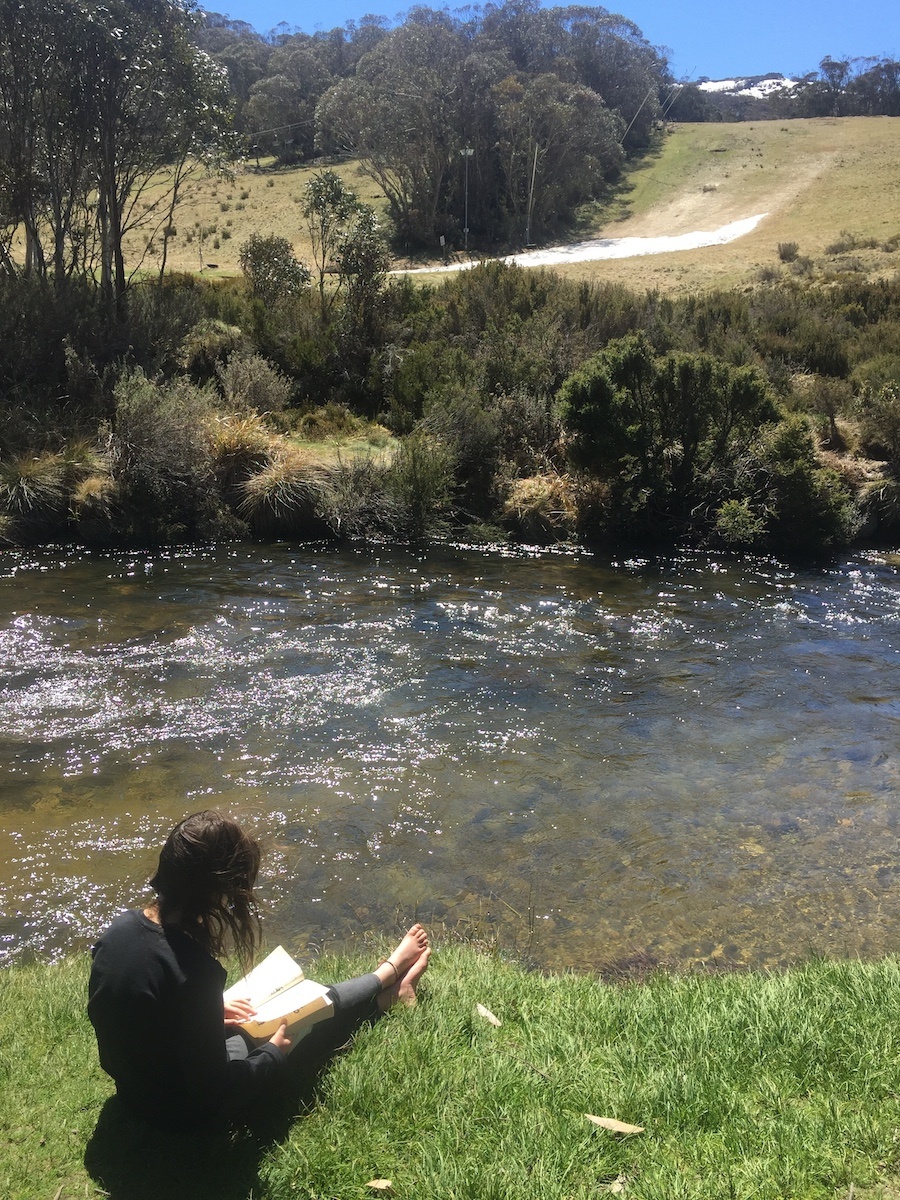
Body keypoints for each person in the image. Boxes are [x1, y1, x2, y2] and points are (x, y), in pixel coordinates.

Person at [87, 810, 430, 1131]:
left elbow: (137, 1012)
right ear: (217, 889)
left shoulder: (117, 932)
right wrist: (271, 1055)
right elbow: (213, 1091)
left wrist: (202, 1013)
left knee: (276, 1013)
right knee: (302, 1024)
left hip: (135, 1095)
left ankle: (386, 985)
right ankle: (389, 982)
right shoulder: (195, 972)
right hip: (184, 1116)